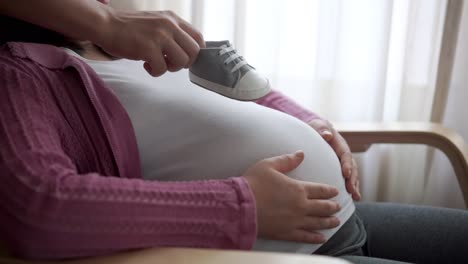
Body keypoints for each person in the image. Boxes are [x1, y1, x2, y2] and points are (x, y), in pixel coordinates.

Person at [1, 2, 467, 264]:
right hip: (290, 252)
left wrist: (309, 123)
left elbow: (237, 88)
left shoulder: (120, 37)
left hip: (344, 219)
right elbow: (41, 206)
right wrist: (244, 206)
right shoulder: (17, 70)